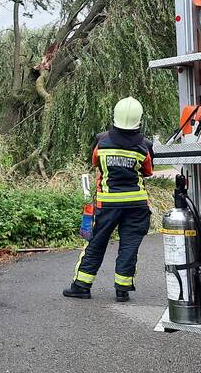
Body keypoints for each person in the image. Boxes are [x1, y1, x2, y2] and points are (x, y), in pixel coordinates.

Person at [63, 97, 154, 303]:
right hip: (137, 204)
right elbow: (148, 171)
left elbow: (95, 161)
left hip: (108, 204)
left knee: (96, 242)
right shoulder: (145, 145)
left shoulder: (101, 140)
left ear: (115, 116)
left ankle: (81, 286)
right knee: (129, 245)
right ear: (139, 119)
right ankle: (122, 289)